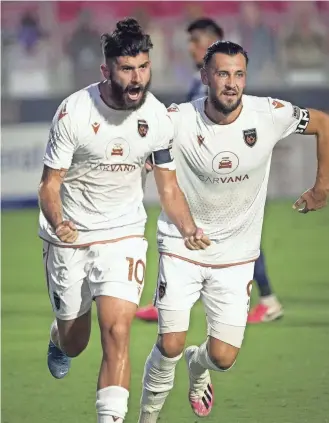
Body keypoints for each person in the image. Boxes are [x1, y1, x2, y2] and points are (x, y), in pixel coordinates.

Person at [137, 40, 329, 422]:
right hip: (182, 246)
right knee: (170, 342)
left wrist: (321, 187)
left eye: (239, 74)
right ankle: (147, 417)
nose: (231, 83)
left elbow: (323, 124)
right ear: (205, 76)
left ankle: (199, 367)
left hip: (237, 255)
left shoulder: (269, 114)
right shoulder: (177, 118)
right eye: (223, 73)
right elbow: (142, 145)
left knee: (223, 358)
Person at [38, 18, 210, 423]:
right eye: (127, 69)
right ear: (106, 70)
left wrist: (188, 227)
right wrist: (60, 220)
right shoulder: (73, 113)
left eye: (144, 67)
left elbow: (167, 188)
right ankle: (58, 336)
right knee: (76, 341)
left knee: (117, 332)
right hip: (69, 235)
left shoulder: (157, 119)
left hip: (124, 234)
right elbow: (49, 185)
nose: (137, 78)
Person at [136, 18, 283, 324]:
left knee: (222, 234)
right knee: (189, 229)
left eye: (194, 42)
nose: (189, 48)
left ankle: (266, 300)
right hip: (204, 174)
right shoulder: (201, 79)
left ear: (208, 43)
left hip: (223, 173)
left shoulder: (222, 82)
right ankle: (172, 299)